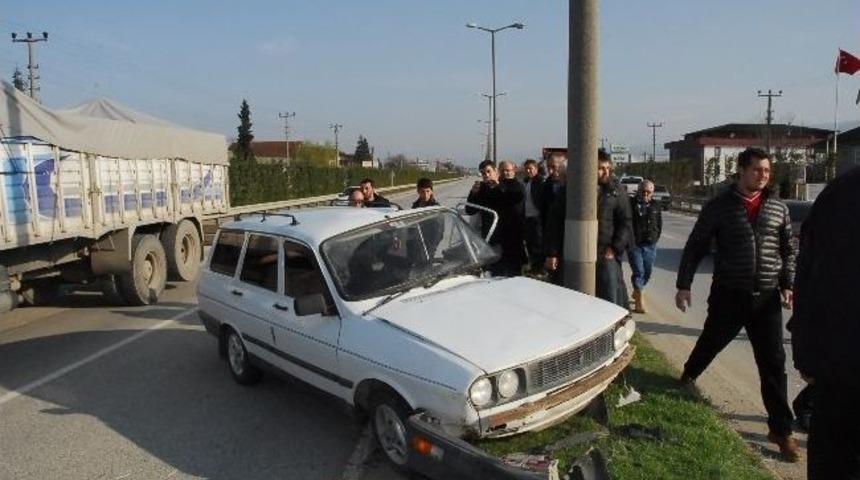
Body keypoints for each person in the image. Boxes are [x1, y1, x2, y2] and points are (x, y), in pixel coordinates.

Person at [675, 147, 799, 462]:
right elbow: (695, 246)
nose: (763, 175)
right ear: (741, 171)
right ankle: (687, 376)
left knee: (774, 363)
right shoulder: (719, 207)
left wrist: (788, 283)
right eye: (757, 169)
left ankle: (781, 430)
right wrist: (684, 285)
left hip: (766, 297)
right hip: (729, 293)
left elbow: (788, 249)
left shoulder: (778, 208)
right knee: (711, 341)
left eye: (767, 170)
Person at [790, 166, 860, 478]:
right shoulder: (844, 193)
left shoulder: (841, 189)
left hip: (835, 366)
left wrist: (805, 352)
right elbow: (811, 274)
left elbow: (807, 276)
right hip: (840, 366)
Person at [467, 160, 524, 276]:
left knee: (512, 273)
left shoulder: (509, 184)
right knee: (493, 272)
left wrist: (498, 186)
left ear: (495, 171)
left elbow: (517, 197)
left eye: (489, 171)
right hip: (490, 237)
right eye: (483, 173)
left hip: (509, 239)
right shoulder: (481, 188)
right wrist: (473, 193)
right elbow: (470, 210)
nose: (486, 175)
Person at [596, 150, 632, 308]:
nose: (606, 172)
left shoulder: (616, 191)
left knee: (611, 294)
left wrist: (614, 248)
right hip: (582, 251)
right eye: (601, 168)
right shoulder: (576, 188)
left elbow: (626, 222)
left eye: (608, 168)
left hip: (606, 251)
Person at [628, 179, 662, 313]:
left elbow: (659, 224)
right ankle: (639, 302)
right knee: (639, 271)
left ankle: (637, 291)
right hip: (634, 244)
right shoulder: (630, 204)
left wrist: (655, 237)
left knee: (647, 272)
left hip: (650, 245)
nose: (646, 194)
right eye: (643, 191)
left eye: (648, 192)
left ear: (652, 193)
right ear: (638, 191)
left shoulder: (656, 205)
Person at [521, 159, 544, 275]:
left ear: (536, 169)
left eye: (530, 168)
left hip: (536, 218)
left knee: (537, 244)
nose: (528, 171)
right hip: (528, 218)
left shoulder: (540, 181)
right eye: (526, 169)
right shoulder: (526, 182)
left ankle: (539, 269)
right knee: (529, 244)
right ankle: (534, 267)